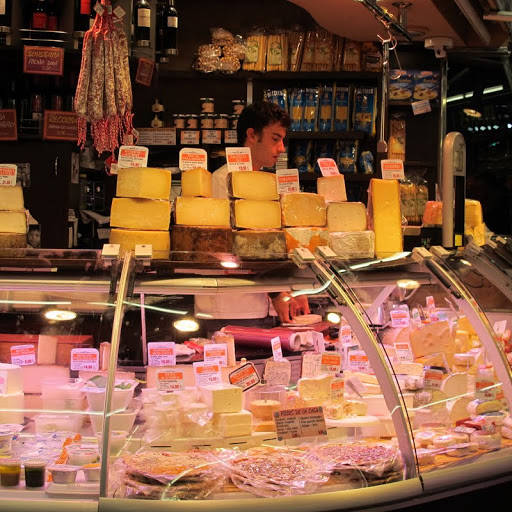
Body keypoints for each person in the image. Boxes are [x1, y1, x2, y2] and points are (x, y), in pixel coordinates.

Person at [207, 100, 310, 323]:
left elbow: (274, 247)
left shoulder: (268, 183)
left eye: (282, 140)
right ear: (252, 135)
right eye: (275, 139)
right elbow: (237, 247)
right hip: (231, 308)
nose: (281, 148)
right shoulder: (221, 180)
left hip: (264, 307)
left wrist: (293, 288)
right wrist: (277, 291)